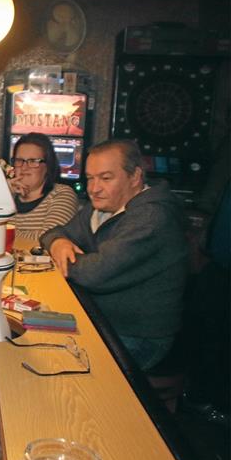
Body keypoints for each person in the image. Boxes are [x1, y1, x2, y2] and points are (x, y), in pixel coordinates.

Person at [40, 139, 188, 371]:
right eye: (90, 178)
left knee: (56, 371)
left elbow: (95, 274)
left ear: (135, 176)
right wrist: (58, 243)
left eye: (106, 178)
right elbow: (53, 233)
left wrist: (65, 256)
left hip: (138, 337)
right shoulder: (100, 207)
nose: (94, 188)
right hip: (100, 320)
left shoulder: (151, 217)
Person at [7, 133, 79, 240]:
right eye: (19, 161)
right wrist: (3, 192)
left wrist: (2, 233)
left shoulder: (63, 194)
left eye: (32, 161)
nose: (24, 167)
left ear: (47, 166)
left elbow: (49, 239)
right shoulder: (6, 195)